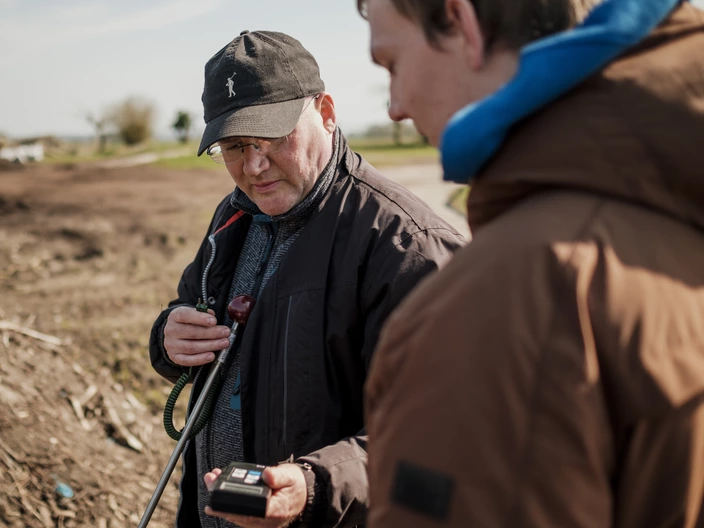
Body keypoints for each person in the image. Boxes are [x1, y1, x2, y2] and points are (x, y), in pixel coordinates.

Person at [358, 0, 704, 526]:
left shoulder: (510, 301)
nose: (395, 107)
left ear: (463, 23)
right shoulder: (669, 204)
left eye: (392, 64)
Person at [148, 30, 464, 528]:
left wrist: (312, 489)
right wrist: (169, 338)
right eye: (234, 146)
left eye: (272, 137)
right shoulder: (234, 215)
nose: (254, 166)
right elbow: (189, 309)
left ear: (326, 112)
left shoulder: (408, 246)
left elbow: (441, 434)